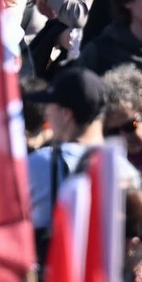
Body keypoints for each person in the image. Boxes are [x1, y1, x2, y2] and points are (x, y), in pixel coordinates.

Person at [27, 66, 107, 242]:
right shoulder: (125, 170)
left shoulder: (40, 164)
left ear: (66, 114)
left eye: (50, 106)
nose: (47, 115)